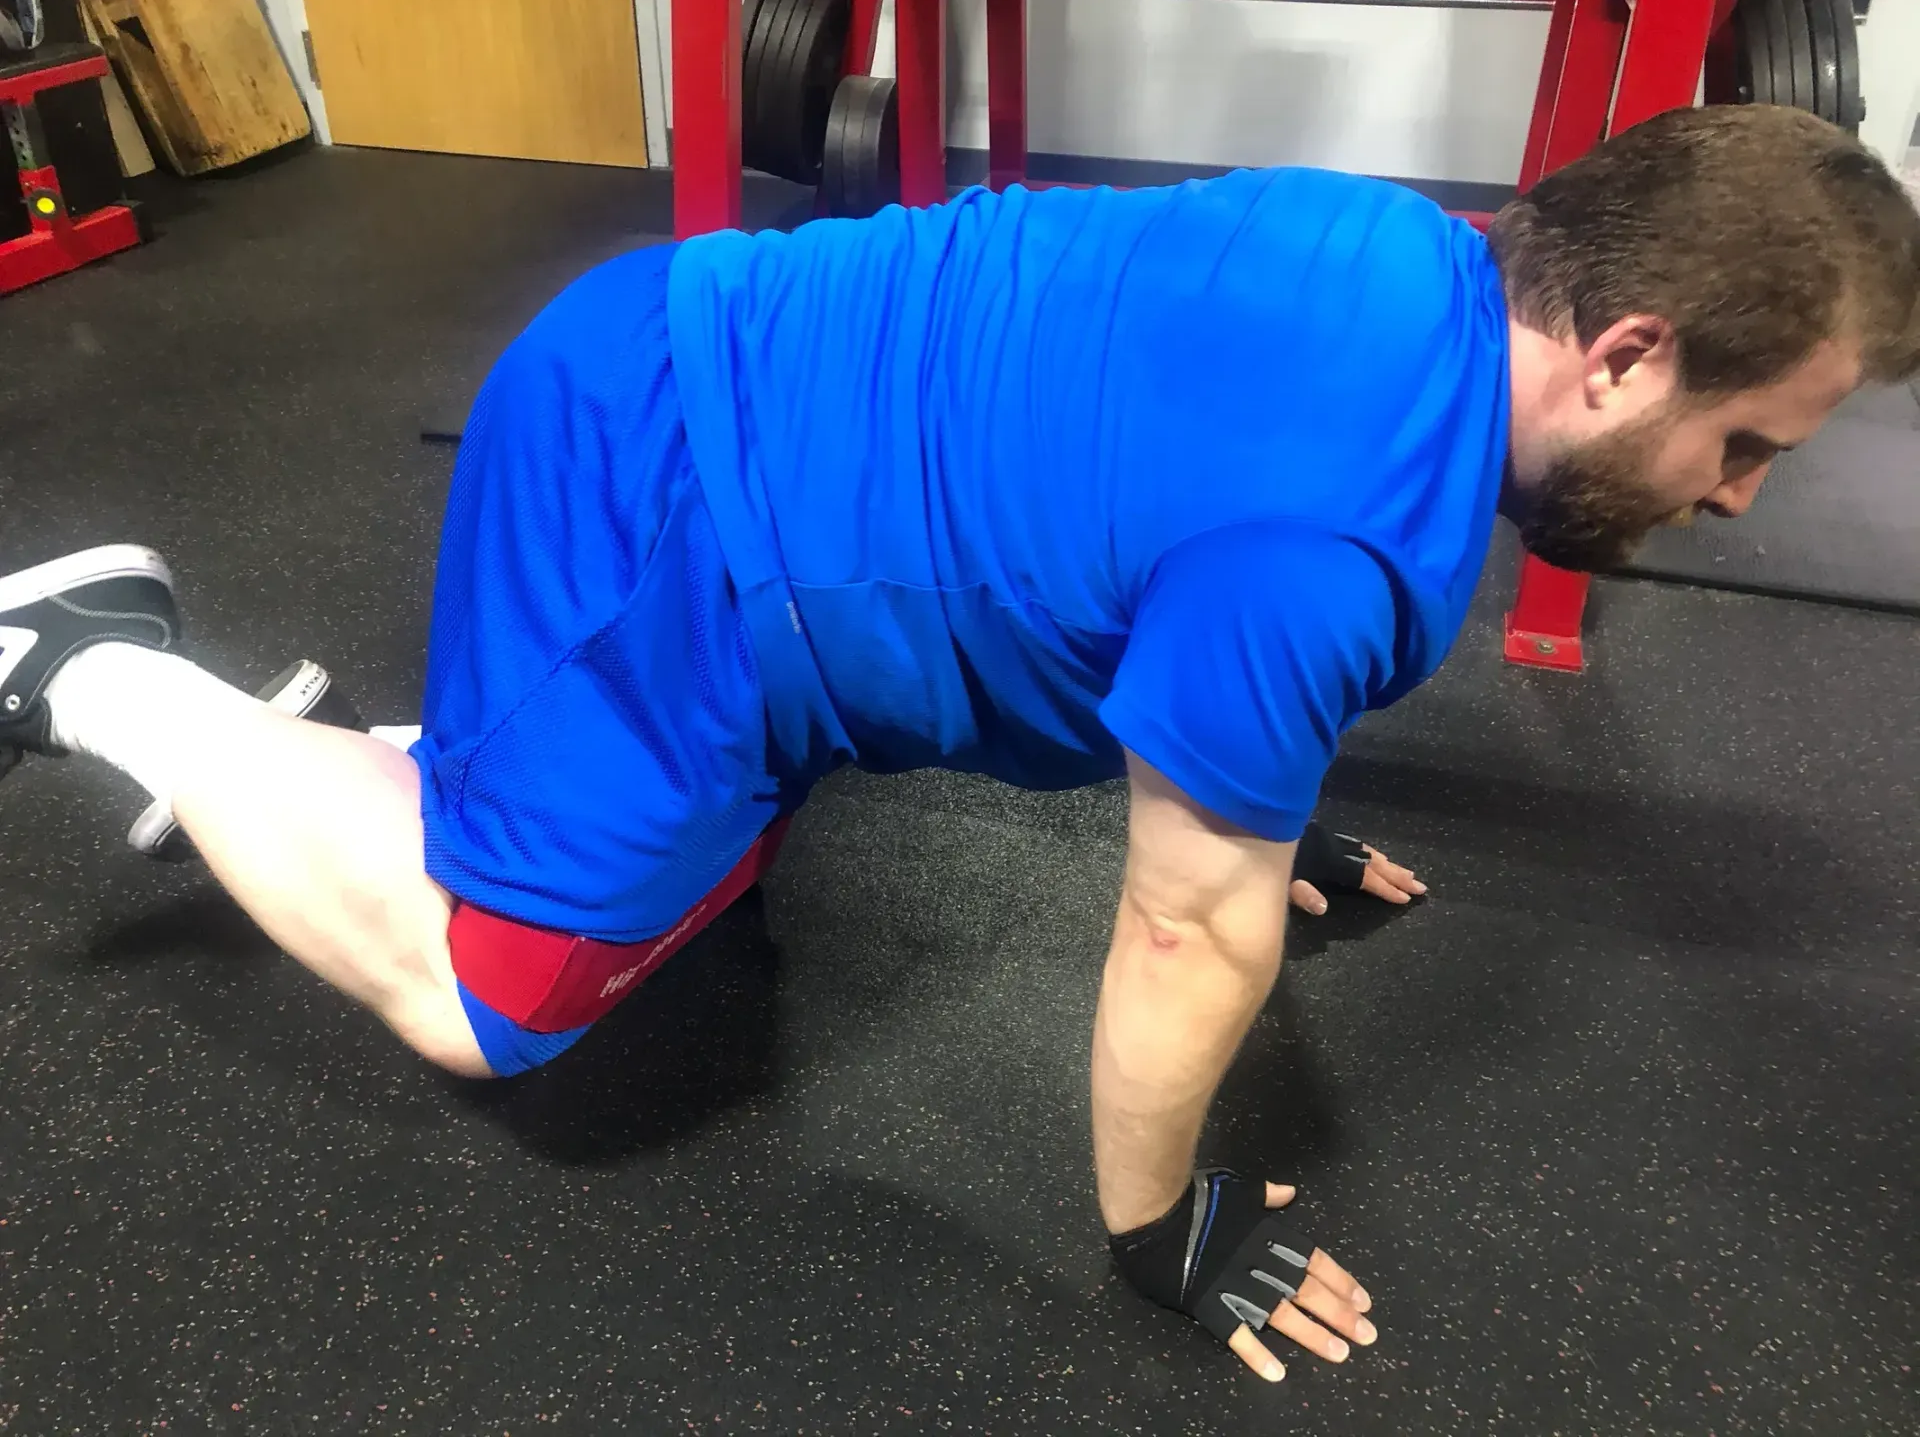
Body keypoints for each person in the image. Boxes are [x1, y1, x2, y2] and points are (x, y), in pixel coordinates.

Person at [2, 104, 1915, 1383]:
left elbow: (1153, 501)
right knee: (494, 992)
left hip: (706, 371)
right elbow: (1185, 930)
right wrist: (1162, 1230)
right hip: (657, 495)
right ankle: (86, 662)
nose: (1741, 503)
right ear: (1632, 351)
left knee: (662, 844)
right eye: (1748, 444)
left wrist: (1264, 786)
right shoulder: (1328, 558)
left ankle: (478, 762)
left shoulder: (1407, 256)